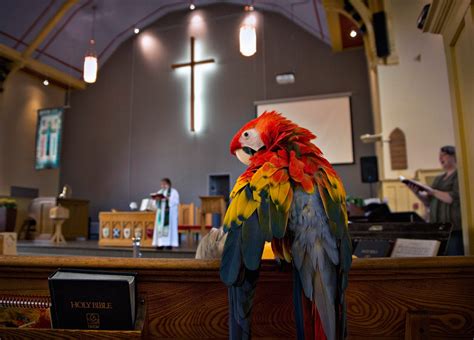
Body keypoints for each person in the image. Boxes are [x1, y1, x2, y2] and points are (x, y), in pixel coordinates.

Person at [407, 145, 464, 255]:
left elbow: (452, 198)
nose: (440, 158)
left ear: (454, 156)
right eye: (439, 156)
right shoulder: (438, 178)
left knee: (454, 258)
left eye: (444, 155)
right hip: (437, 228)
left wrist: (432, 191)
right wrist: (416, 192)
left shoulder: (459, 175)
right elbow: (428, 202)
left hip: (454, 228)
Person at [151, 178, 180, 249]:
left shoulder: (173, 192)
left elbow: (176, 201)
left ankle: (169, 244)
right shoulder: (159, 192)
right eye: (162, 184)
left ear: (169, 184)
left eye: (164, 184)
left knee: (169, 228)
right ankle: (160, 244)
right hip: (161, 214)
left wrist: (168, 199)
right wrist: (156, 200)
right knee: (159, 227)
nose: (163, 185)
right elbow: (155, 204)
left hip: (169, 214)